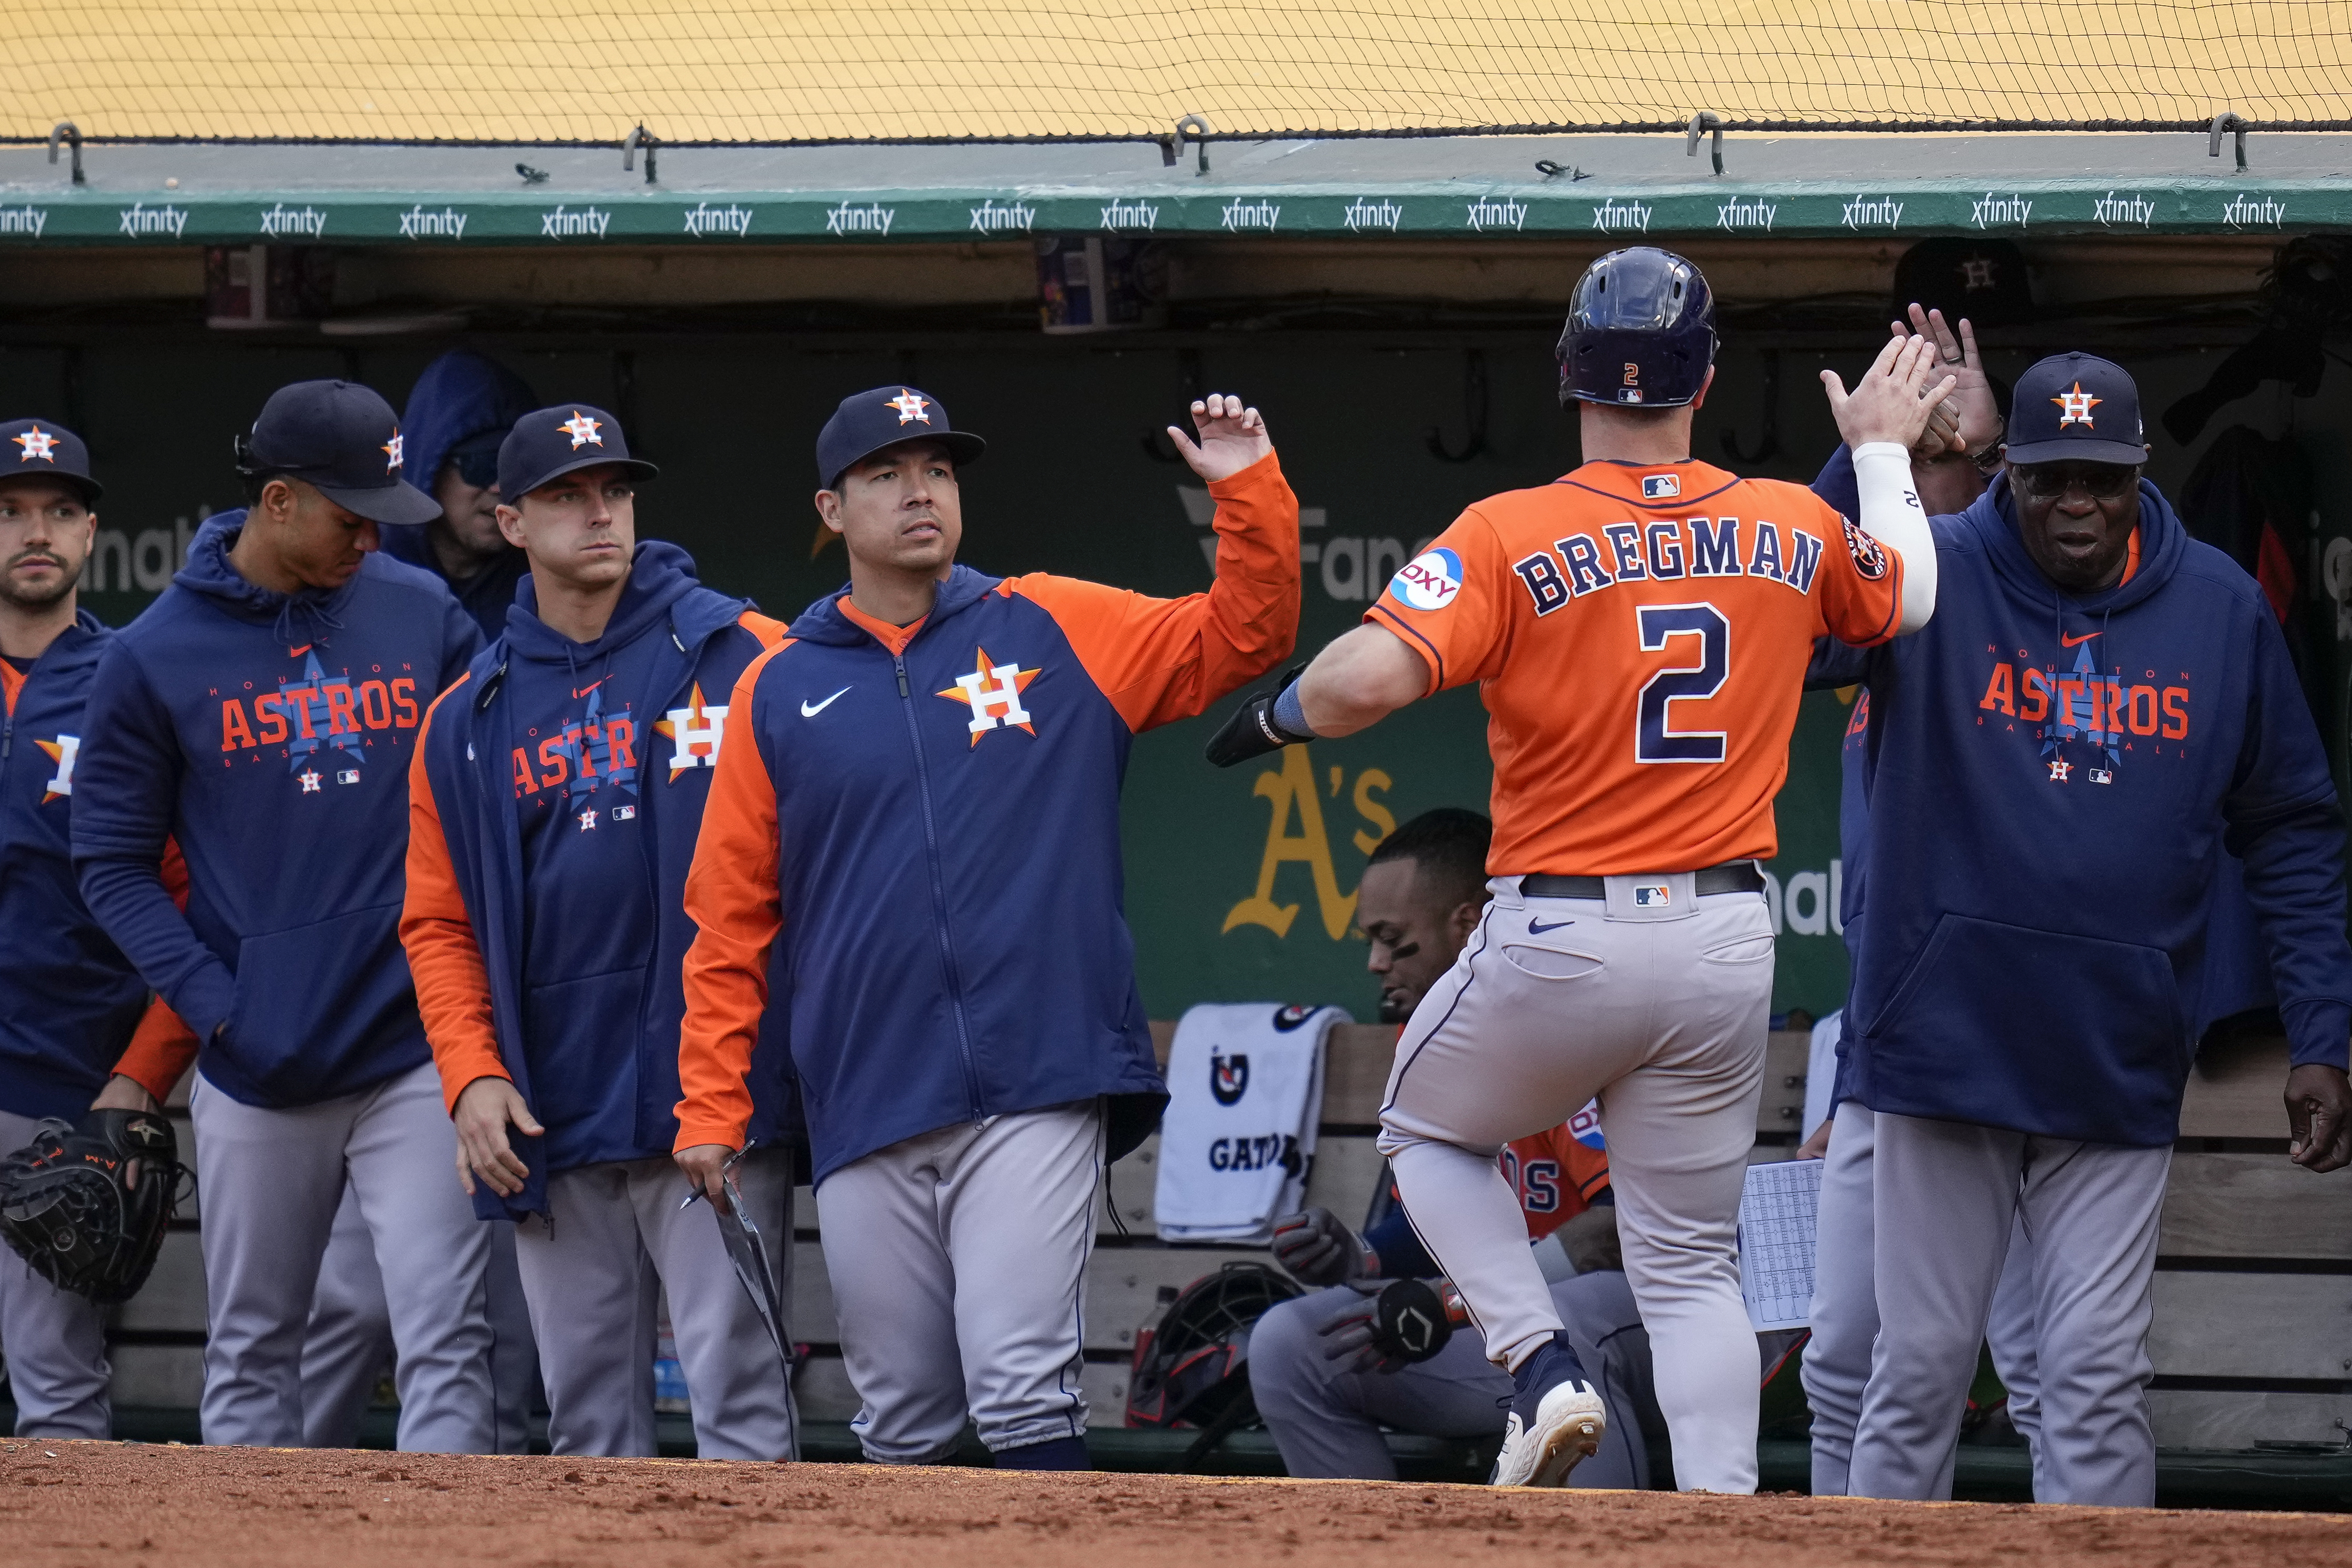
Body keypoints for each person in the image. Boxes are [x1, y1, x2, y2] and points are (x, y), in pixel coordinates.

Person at [1207, 246, 1949, 1491]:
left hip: (1563, 932)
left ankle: (1537, 1367)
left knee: (1424, 1133)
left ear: (1569, 376)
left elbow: (1364, 683)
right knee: (1688, 1265)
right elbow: (1911, 599)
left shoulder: (1510, 530)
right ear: (1702, 377)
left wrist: (1278, 715)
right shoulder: (1788, 519)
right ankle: (1718, 1511)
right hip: (1722, 937)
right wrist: (1879, 444)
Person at [672, 386, 1300, 1468]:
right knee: (904, 1419)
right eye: (888, 474)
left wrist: (1249, 490)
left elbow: (1244, 636)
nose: (922, 490)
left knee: (1018, 1386)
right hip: (869, 1094)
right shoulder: (777, 687)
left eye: (940, 470)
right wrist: (710, 1102)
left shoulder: (1052, 620)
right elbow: (729, 920)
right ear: (832, 509)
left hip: (1035, 1075)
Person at [1808, 351, 2352, 1506]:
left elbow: (2293, 828)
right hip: (1945, 1049)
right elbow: (1800, 630)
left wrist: (2322, 1033)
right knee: (1917, 1373)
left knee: (2095, 1378)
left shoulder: (2217, 606)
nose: (2075, 506)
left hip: (2115, 1054)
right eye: (2049, 478)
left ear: (2138, 470)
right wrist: (1870, 459)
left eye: (2099, 481)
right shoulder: (1934, 570)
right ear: (2006, 471)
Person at [71, 380, 499, 1451]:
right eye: (348, 513)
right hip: (259, 1063)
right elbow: (113, 866)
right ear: (275, 502)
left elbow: (487, 807)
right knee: (257, 1342)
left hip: (409, 1046)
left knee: (448, 1334)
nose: (371, 534)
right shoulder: (153, 656)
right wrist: (221, 1007)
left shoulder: (420, 611)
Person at [402, 403, 800, 1459]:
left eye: (615, 491)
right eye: (567, 496)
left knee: (742, 1412)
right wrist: (469, 1073)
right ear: (512, 523)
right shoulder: (465, 717)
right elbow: (437, 923)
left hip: (712, 1095)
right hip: (555, 1107)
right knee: (587, 1436)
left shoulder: (743, 652)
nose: (600, 513)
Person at [1250, 808, 1659, 1486]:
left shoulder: (1553, 1013)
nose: (1374, 962)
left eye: (1392, 940)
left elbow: (1619, 1228)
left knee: (1563, 1325)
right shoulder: (1427, 1041)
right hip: (1512, 1329)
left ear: (1467, 925)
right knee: (1291, 1345)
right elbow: (1443, 1218)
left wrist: (1448, 1301)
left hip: (1644, 1326)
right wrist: (1362, 1255)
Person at [0, 418, 200, 1438]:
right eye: (9, 512)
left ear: (90, 533)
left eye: (60, 511)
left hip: (62, 1096)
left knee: (57, 1392)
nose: (37, 531)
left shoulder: (132, 680)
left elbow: (188, 901)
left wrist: (139, 1079)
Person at [379, 351, 537, 639]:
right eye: (482, 465)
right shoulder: (363, 579)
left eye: (515, 466)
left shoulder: (550, 586)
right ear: (430, 468)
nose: (500, 487)